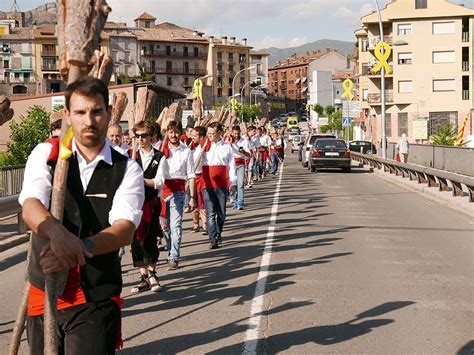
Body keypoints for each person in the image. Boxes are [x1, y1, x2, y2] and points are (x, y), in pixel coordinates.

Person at [19, 77, 144, 353]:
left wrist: (80, 246)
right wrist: (56, 233)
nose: (89, 120)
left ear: (109, 114)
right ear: (67, 115)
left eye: (97, 111)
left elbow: (124, 229)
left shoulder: (127, 168)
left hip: (94, 298)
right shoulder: (47, 154)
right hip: (46, 292)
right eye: (80, 112)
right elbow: (30, 204)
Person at [128, 121, 165, 293]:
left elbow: (159, 182)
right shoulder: (130, 156)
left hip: (150, 204)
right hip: (133, 203)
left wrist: (140, 180)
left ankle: (152, 273)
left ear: (151, 136)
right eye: (138, 136)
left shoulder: (159, 157)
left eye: (143, 136)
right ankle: (143, 276)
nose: (141, 139)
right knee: (135, 240)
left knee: (149, 238)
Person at [154, 121, 196, 270]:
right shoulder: (159, 150)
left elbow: (191, 174)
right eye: (171, 132)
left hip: (178, 191)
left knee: (176, 225)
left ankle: (174, 256)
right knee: (164, 227)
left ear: (180, 133)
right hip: (160, 192)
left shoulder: (186, 151)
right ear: (167, 133)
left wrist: (192, 197)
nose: (174, 135)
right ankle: (171, 247)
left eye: (177, 132)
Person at [199, 122, 237, 249]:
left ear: (219, 133)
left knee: (221, 213)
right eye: (208, 133)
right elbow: (195, 164)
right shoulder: (203, 146)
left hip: (221, 184)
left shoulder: (227, 147)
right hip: (207, 183)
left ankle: (218, 232)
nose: (209, 135)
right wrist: (202, 149)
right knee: (210, 214)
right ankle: (213, 239)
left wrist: (233, 183)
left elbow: (232, 167)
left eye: (212, 133)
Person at [190, 126, 208, 233]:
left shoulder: (206, 147)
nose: (192, 138)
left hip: (203, 177)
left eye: (195, 136)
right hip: (192, 177)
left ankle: (205, 224)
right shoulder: (191, 147)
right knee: (193, 200)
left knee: (202, 201)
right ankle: (196, 224)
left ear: (201, 137)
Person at [229, 125, 250, 210]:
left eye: (238, 133)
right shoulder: (227, 140)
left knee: (240, 184)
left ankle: (240, 202)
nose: (236, 135)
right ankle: (234, 201)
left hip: (240, 164)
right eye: (234, 134)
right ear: (232, 133)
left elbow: (248, 155)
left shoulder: (244, 141)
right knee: (232, 184)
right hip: (231, 165)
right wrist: (229, 144)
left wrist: (243, 152)